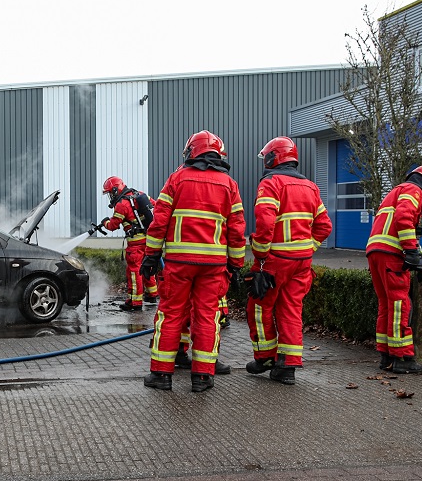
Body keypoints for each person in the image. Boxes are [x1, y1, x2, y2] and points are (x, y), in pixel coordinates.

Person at [140, 130, 247, 393]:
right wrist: (236, 264)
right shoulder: (229, 184)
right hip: (213, 266)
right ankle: (202, 377)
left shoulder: (177, 179)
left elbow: (160, 221)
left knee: (171, 314)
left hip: (179, 264)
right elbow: (236, 229)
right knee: (207, 317)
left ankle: (162, 375)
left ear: (192, 152)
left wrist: (151, 255)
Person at [244, 136, 332, 385]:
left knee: (259, 307)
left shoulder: (271, 184)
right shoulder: (311, 187)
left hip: (274, 260)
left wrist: (260, 254)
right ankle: (288, 366)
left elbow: (264, 221)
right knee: (291, 309)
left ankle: (265, 358)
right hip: (302, 262)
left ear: (274, 158)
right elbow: (324, 226)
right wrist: (308, 249)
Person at [365, 164, 422, 374]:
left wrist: (420, 258)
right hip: (392, 254)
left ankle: (386, 355)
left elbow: (407, 230)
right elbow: (404, 219)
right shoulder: (413, 191)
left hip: (376, 251)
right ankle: (402, 357)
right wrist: (410, 252)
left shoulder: (396, 191)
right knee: (400, 305)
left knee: (387, 305)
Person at [99, 177, 159, 311]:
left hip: (135, 244)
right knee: (147, 267)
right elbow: (156, 206)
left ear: (115, 190)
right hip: (149, 241)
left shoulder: (122, 204)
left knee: (134, 271)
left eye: (110, 193)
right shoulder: (141, 195)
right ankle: (152, 294)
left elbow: (113, 225)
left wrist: (105, 223)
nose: (110, 196)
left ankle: (135, 302)